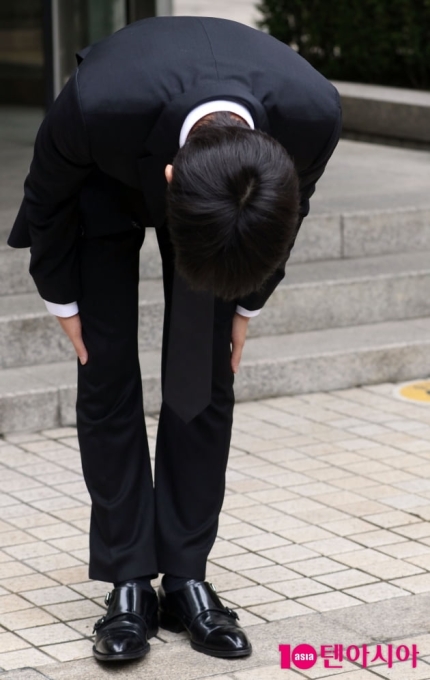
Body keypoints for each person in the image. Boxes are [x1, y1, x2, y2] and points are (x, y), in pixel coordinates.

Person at [8, 16, 342, 664]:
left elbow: (288, 212)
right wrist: (62, 299)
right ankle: (129, 579)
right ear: (168, 185)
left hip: (224, 184)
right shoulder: (95, 102)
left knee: (204, 374)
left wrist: (245, 304)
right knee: (104, 373)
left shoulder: (312, 116)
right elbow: (45, 199)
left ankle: (186, 574)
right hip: (102, 181)